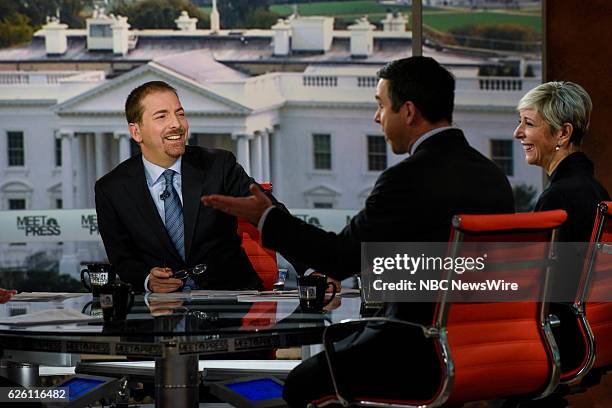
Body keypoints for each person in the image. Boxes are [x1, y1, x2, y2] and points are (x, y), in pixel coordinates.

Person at [203, 56, 515, 406]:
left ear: (408, 112)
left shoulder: (405, 179)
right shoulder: (495, 179)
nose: (377, 117)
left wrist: (267, 217)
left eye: (381, 106)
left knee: (299, 385)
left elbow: (339, 258)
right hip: (481, 350)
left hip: (415, 352)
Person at [95, 81, 301, 294]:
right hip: (160, 313)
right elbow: (123, 259)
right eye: (162, 116)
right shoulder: (111, 189)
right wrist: (148, 280)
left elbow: (272, 217)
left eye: (180, 114)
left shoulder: (219, 166)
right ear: (136, 132)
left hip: (231, 306)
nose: (176, 124)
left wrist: (315, 268)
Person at [514, 81, 610, 381]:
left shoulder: (560, 198)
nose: (518, 133)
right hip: (589, 337)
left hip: (557, 343)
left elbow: (537, 288)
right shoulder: (594, 190)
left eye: (528, 124)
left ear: (563, 133)